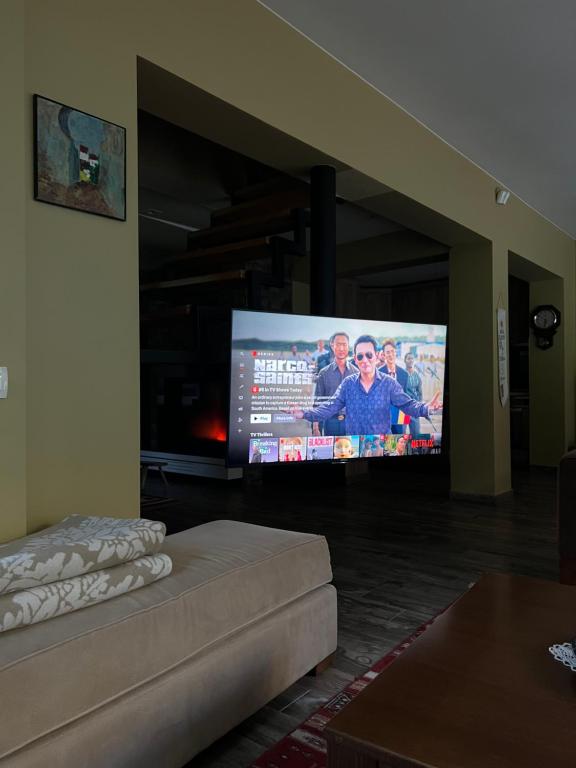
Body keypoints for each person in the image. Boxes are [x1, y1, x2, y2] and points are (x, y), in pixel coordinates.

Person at [291, 335, 441, 436]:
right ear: (355, 359)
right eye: (360, 356)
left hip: (383, 452)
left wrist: (426, 408)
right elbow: (328, 407)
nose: (365, 360)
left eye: (369, 355)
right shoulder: (348, 384)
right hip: (354, 452)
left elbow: (408, 405)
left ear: (376, 356)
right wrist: (303, 413)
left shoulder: (389, 383)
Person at [312, 332, 356, 437]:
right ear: (332, 346)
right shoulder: (324, 373)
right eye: (338, 344)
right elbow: (317, 401)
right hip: (330, 423)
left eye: (344, 344)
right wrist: (315, 427)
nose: (341, 348)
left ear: (348, 346)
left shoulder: (356, 373)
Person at [379, 339, 409, 434]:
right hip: (383, 416)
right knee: (385, 444)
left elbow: (406, 396)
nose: (390, 354)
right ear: (383, 355)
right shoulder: (378, 373)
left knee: (400, 441)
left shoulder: (404, 374)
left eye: (392, 351)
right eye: (388, 352)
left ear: (396, 353)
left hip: (400, 415)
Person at [404, 352, 423, 436]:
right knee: (401, 434)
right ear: (405, 360)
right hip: (403, 409)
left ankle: (415, 449)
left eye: (412, 358)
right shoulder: (402, 374)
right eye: (408, 358)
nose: (410, 360)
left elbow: (420, 393)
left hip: (414, 408)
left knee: (416, 434)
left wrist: (419, 406)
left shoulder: (417, 376)